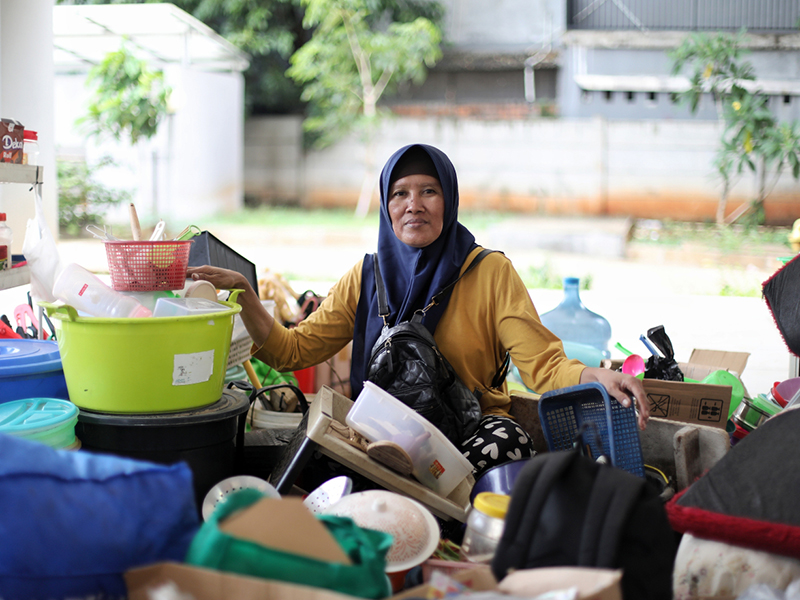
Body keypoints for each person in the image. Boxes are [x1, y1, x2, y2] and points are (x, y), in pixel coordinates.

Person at [187, 143, 649, 477]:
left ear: (448, 200)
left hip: (466, 433)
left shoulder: (489, 273)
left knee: (510, 443)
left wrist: (594, 377)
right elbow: (293, 351)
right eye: (400, 193)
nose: (414, 205)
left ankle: (428, 517)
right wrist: (245, 293)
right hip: (379, 435)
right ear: (386, 206)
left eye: (429, 191)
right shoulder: (366, 276)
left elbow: (543, 366)